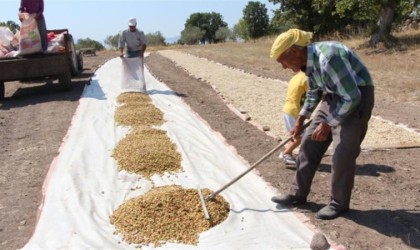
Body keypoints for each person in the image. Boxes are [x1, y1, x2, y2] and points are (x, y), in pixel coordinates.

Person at [269, 29, 375, 220]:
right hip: (334, 95)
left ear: (294, 52)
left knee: (342, 153)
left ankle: (338, 204)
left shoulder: (329, 58)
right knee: (309, 143)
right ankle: (297, 194)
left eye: (282, 61)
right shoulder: (308, 63)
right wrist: (301, 119)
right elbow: (314, 92)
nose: (283, 67)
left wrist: (328, 123)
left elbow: (351, 97)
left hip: (357, 96)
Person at [279, 71, 308, 166]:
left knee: (295, 135)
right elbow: (314, 94)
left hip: (289, 109)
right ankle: (285, 153)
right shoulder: (307, 78)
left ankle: (289, 154)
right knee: (300, 137)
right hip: (294, 111)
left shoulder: (298, 76)